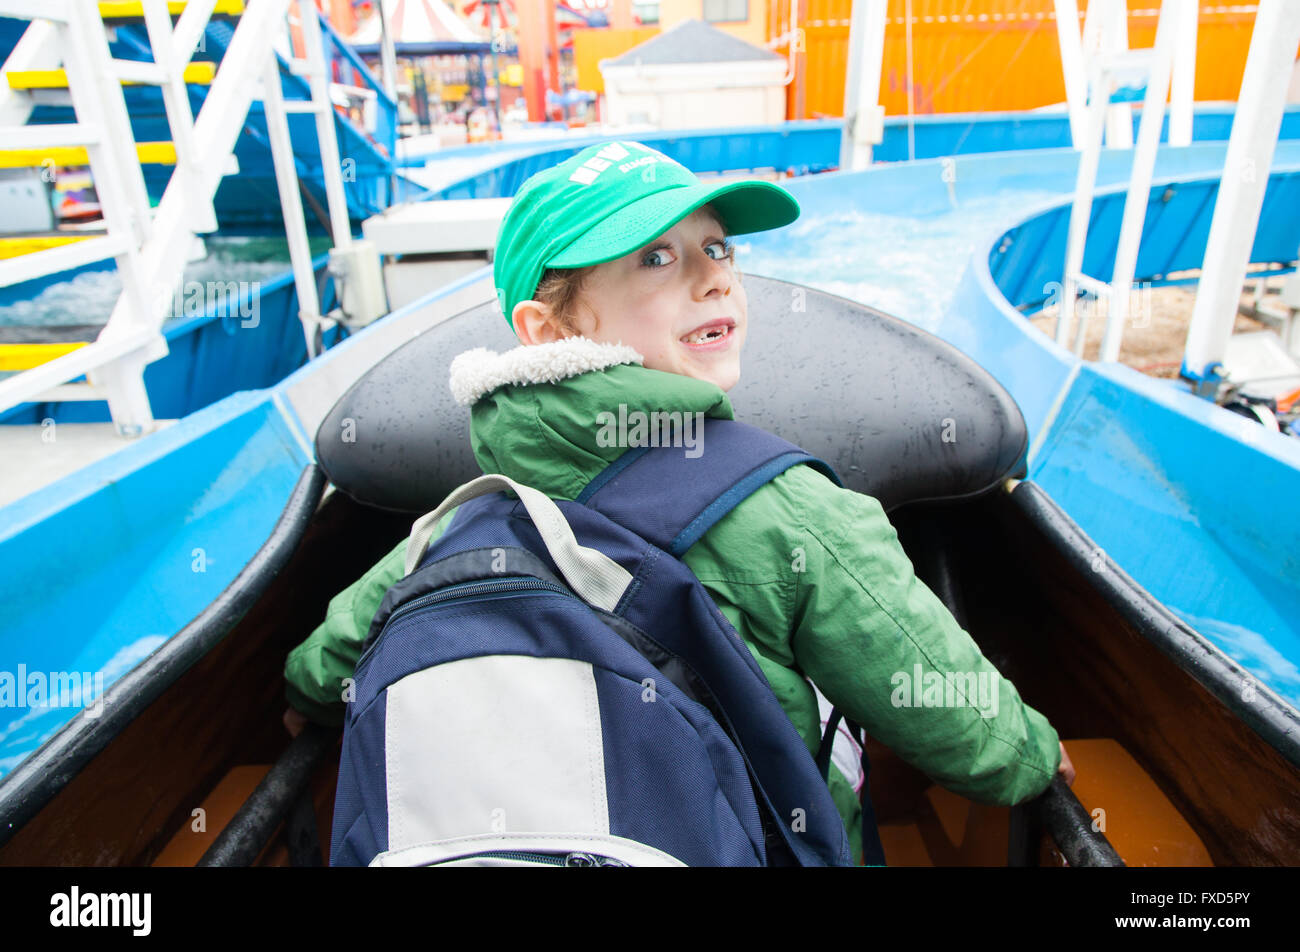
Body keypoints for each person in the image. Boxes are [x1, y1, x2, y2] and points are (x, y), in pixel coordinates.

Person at [283, 139, 1074, 863]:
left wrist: (306, 705)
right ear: (546, 329)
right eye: (657, 258)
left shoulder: (457, 524)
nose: (715, 275)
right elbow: (949, 709)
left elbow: (324, 669)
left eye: (717, 247)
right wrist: (1035, 758)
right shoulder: (788, 509)